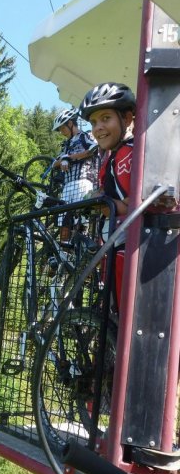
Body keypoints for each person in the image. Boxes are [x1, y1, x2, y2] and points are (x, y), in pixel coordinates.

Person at [79, 81, 136, 311]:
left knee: (123, 319)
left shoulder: (127, 154)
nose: (98, 127)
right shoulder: (113, 155)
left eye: (105, 118)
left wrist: (104, 204)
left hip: (126, 249)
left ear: (128, 119)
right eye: (93, 122)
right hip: (115, 246)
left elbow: (133, 205)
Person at [52, 107, 98, 241]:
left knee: (81, 218)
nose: (61, 132)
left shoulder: (84, 136)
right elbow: (54, 163)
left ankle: (81, 248)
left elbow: (93, 148)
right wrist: (64, 158)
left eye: (62, 128)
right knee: (63, 220)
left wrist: (70, 158)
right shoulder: (66, 144)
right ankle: (64, 251)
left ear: (70, 123)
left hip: (83, 180)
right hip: (67, 184)